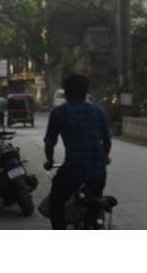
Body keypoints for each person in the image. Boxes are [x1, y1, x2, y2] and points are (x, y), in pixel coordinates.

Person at [43, 74, 112, 230]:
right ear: (85, 92)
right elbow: (107, 140)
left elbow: (49, 143)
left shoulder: (59, 113)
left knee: (56, 203)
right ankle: (94, 220)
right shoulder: (97, 111)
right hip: (98, 171)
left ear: (66, 92)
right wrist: (105, 157)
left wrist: (50, 161)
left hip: (72, 170)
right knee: (95, 198)